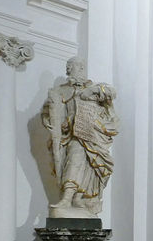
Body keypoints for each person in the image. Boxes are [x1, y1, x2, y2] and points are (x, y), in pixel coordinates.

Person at [41, 56, 120, 217]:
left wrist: (92, 91)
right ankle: (67, 198)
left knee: (90, 167)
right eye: (69, 67)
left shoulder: (94, 88)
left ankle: (77, 198)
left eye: (74, 66)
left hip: (94, 135)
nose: (70, 70)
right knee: (74, 160)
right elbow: (51, 117)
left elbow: (111, 93)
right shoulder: (60, 91)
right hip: (74, 135)